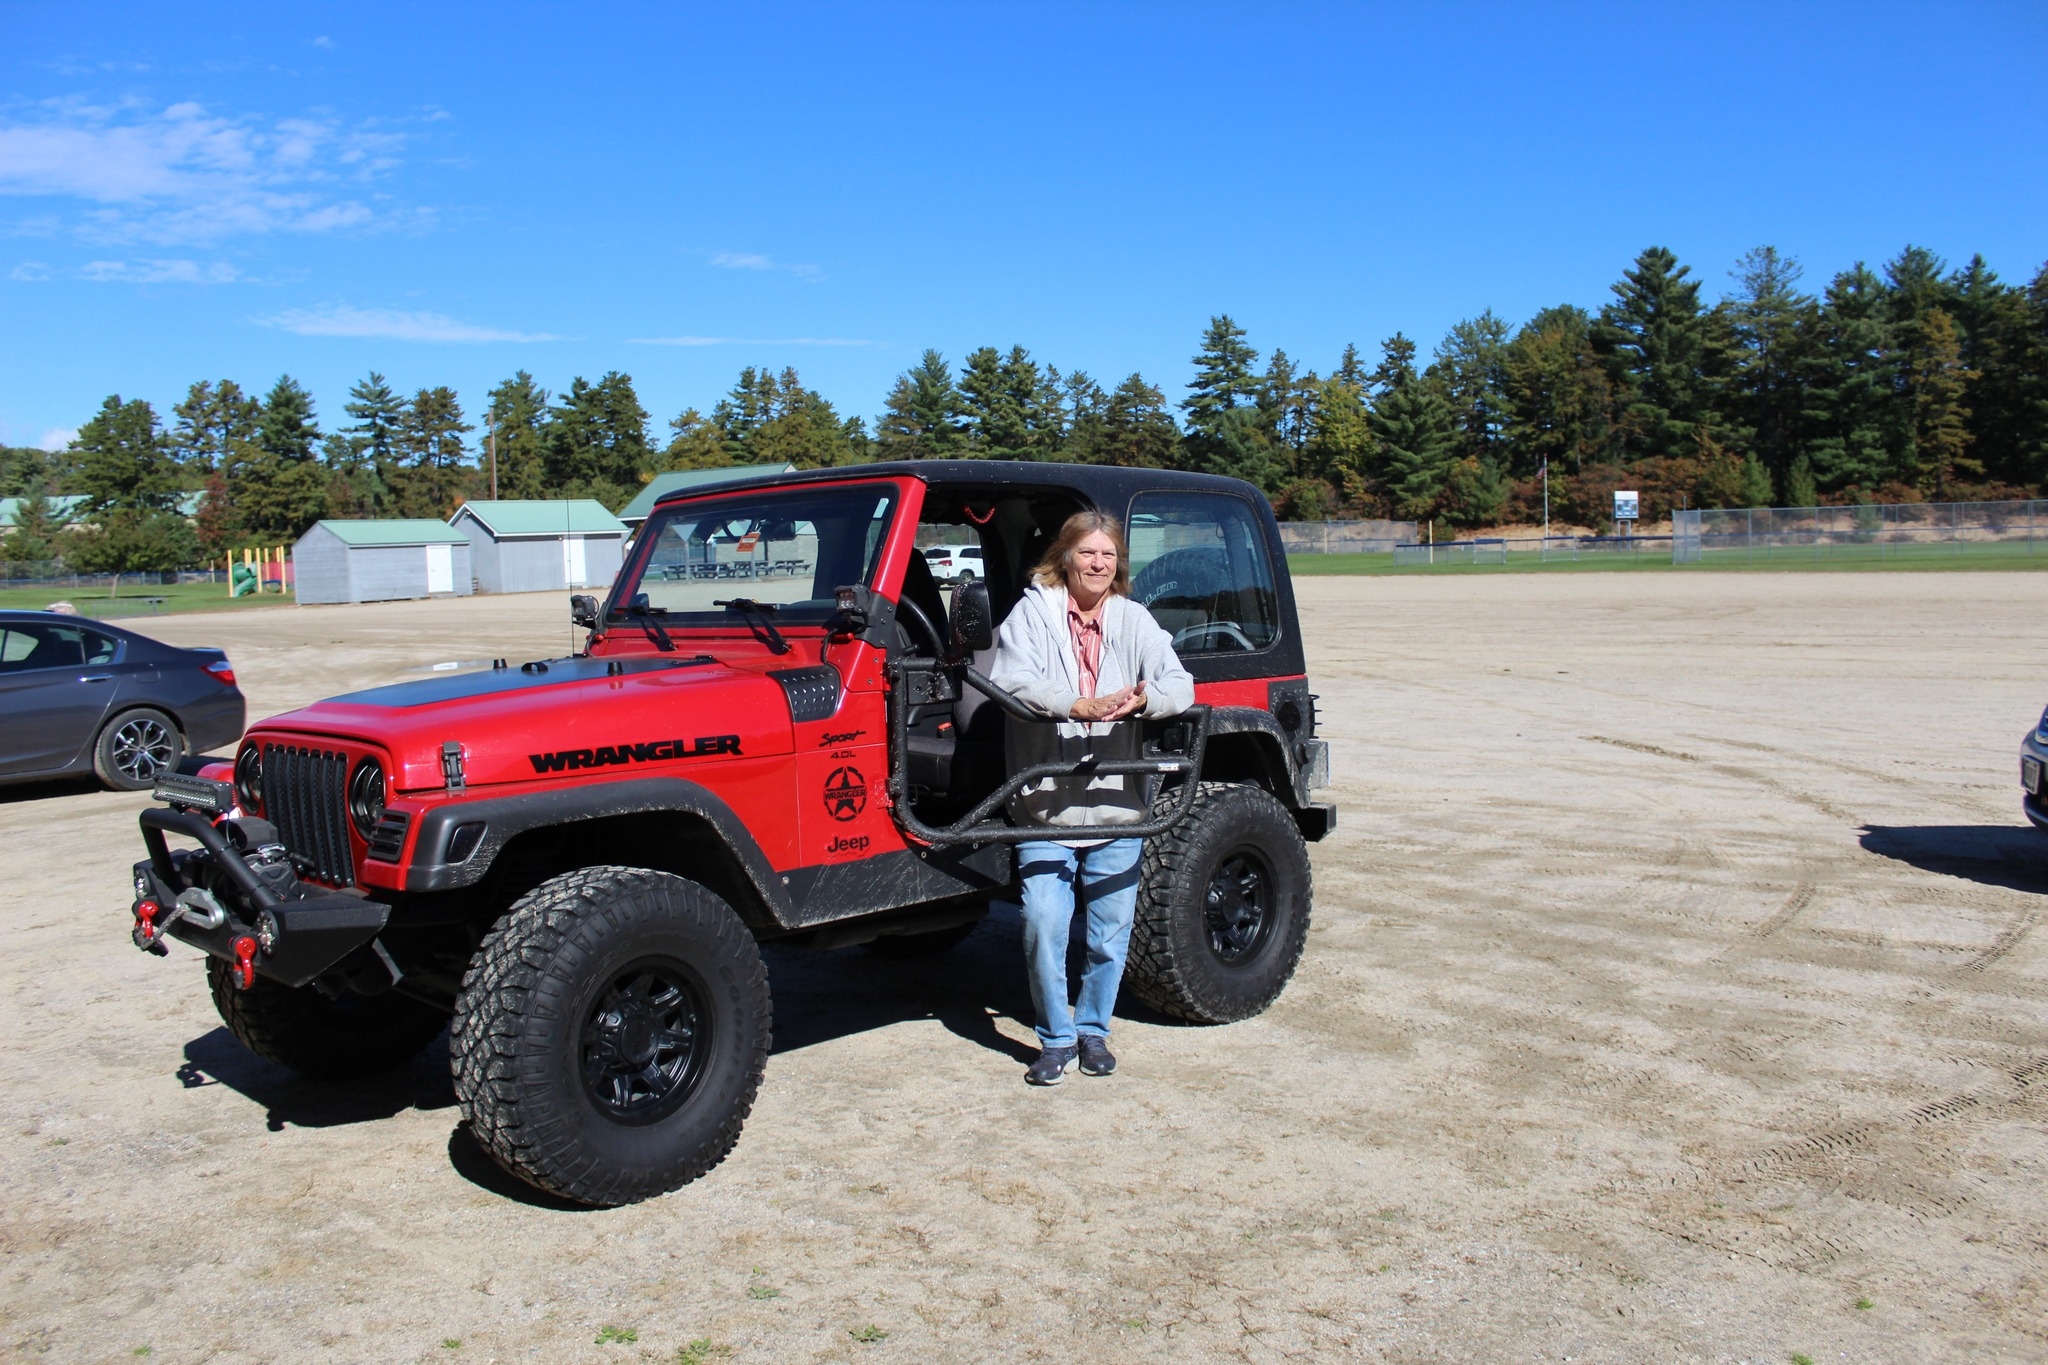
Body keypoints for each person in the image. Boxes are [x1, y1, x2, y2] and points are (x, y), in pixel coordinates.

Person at [988, 510, 1195, 1085]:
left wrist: (1146, 698)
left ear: (1118, 563)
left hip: (1116, 806)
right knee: (1042, 925)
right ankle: (1055, 1038)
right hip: (1046, 809)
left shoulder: (1134, 619)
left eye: (1108, 555)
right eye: (1087, 553)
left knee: (1109, 934)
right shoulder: (1031, 614)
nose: (1098, 564)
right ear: (1065, 558)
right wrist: (1070, 704)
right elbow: (1010, 680)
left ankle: (1094, 1031)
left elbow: (1181, 683)